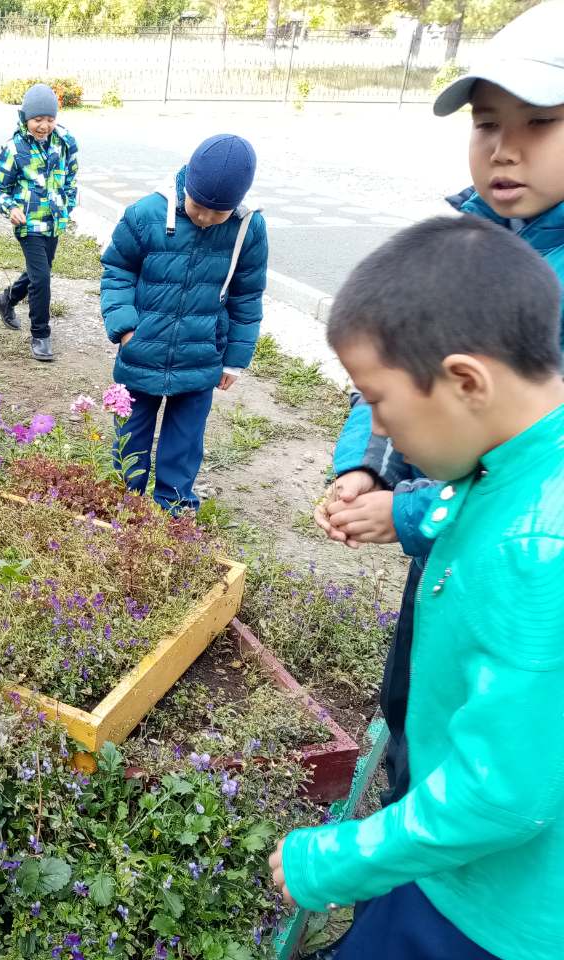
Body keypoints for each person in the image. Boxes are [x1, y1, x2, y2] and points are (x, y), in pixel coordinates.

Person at [272, 215, 564, 960]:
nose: (378, 427)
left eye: (378, 400)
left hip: (485, 910)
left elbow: (498, 797)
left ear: (466, 381)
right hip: (450, 859)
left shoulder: (539, 550)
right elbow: (471, 501)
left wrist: (330, 861)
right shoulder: (520, 464)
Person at [314, 0, 564, 808]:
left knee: (484, 740)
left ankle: (421, 852)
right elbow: (393, 370)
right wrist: (364, 466)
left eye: (540, 123)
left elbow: (531, 484)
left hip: (517, 577)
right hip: (447, 556)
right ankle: (404, 814)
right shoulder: (476, 236)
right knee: (419, 698)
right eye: (487, 123)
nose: (504, 148)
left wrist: (408, 511)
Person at [99, 134, 267, 513]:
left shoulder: (249, 228)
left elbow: (247, 295)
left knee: (185, 440)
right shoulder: (145, 215)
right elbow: (117, 269)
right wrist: (125, 328)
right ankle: (123, 506)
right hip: (141, 350)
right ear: (186, 184)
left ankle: (173, 511)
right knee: (130, 435)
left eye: (217, 213)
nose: (205, 218)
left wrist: (234, 360)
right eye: (198, 206)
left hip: (201, 354)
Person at [0, 82, 79, 362]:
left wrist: (67, 206)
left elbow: (71, 179)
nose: (44, 126)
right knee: (42, 278)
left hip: (54, 223)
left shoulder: (65, 142)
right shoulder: (14, 148)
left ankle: (6, 299)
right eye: (38, 119)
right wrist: (10, 208)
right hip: (28, 225)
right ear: (25, 117)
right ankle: (40, 334)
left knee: (38, 272)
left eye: (50, 119)